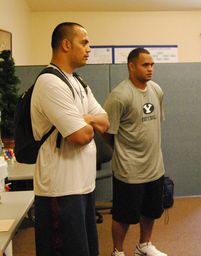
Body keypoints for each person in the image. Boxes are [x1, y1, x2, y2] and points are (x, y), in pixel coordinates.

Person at [31, 22, 110, 256]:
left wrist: (83, 117)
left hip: (83, 186)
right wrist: (88, 121)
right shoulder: (50, 83)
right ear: (66, 44)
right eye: (84, 42)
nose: (89, 48)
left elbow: (104, 122)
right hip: (60, 190)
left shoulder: (77, 81)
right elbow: (81, 136)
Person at [103, 48, 167, 256]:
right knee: (123, 216)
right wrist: (122, 151)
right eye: (145, 65)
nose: (150, 69)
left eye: (152, 65)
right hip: (129, 169)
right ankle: (117, 251)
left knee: (151, 210)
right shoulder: (119, 96)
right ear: (131, 66)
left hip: (154, 166)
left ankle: (144, 245)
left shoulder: (156, 90)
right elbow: (107, 132)